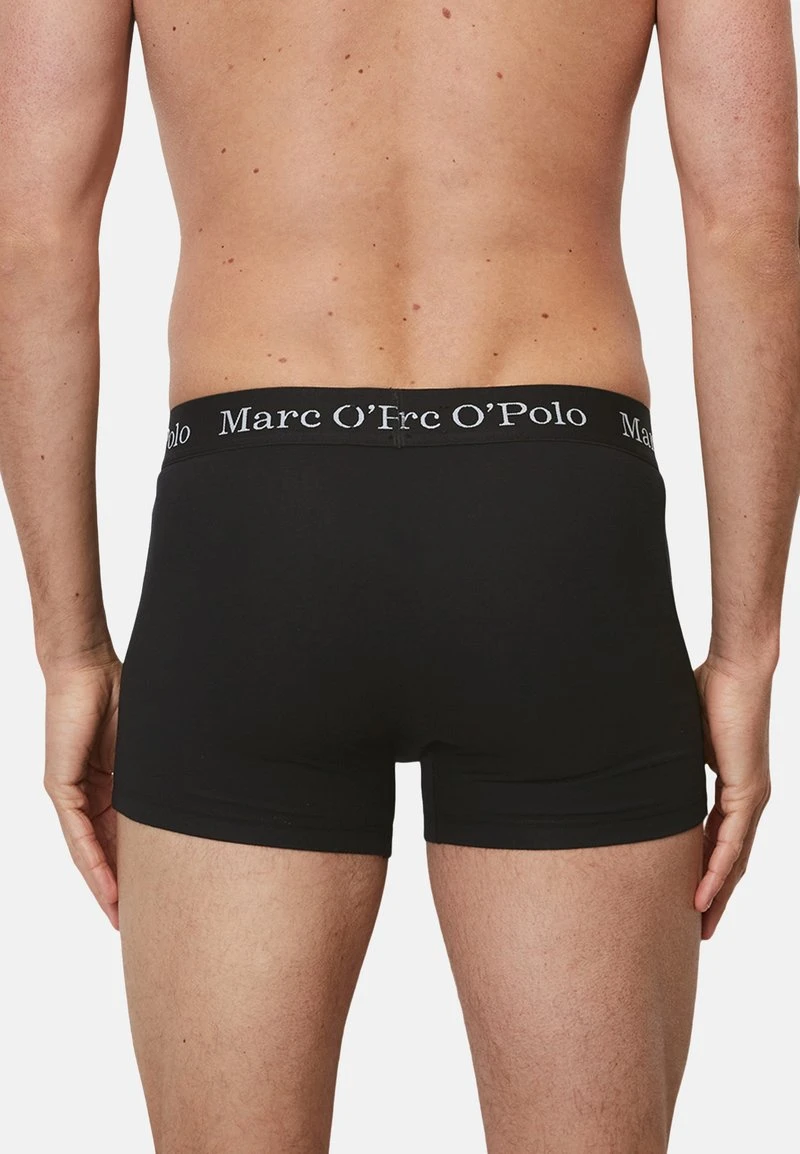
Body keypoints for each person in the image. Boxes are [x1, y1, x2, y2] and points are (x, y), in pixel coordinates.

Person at [1, 1, 798, 1150]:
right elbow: (746, 226)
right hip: (555, 522)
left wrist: (68, 644)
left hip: (255, 525)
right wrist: (745, 646)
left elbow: (31, 234)